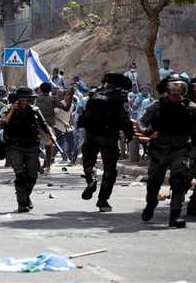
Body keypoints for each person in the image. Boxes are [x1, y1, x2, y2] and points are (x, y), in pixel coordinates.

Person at [138, 75, 196, 228]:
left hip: (181, 150)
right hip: (159, 150)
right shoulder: (157, 106)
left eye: (180, 87)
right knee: (153, 183)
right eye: (174, 87)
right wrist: (148, 133)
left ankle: (174, 216)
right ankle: (150, 205)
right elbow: (141, 122)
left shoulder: (191, 108)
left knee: (179, 182)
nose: (177, 90)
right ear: (167, 89)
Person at [80, 73, 133, 212]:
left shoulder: (95, 94)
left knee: (88, 162)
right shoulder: (118, 98)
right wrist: (129, 135)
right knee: (110, 170)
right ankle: (102, 201)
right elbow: (124, 118)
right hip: (109, 137)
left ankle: (91, 180)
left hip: (91, 135)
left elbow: (84, 115)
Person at [1, 87, 53, 212]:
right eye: (23, 99)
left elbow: (44, 125)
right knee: (20, 176)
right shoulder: (9, 109)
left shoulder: (35, 110)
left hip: (32, 147)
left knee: (32, 176)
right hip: (15, 146)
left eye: (28, 99)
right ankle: (22, 203)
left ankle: (26, 196)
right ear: (18, 100)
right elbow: (3, 123)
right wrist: (12, 110)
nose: (26, 102)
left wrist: (51, 134)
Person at [35, 82, 74, 172]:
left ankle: (40, 164)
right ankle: (48, 165)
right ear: (50, 90)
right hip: (48, 126)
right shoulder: (53, 99)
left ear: (40, 90)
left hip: (36, 125)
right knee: (49, 145)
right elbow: (66, 108)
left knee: (34, 145)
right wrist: (71, 95)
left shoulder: (35, 99)